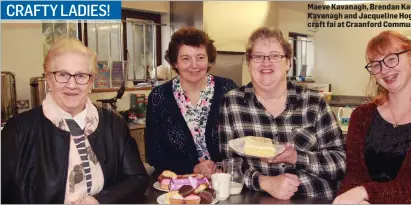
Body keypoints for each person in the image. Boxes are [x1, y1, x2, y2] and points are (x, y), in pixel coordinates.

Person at [1, 38, 148, 204]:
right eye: (62, 74)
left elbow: (137, 179)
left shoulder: (113, 124)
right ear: (49, 79)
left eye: (81, 75)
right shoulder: (19, 131)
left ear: (91, 82)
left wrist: (99, 200)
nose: (72, 85)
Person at [219, 26, 346, 200]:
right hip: (259, 200)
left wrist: (297, 158)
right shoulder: (232, 102)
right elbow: (230, 165)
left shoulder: (314, 103)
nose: (266, 62)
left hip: (315, 198)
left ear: (288, 63)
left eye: (275, 56)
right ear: (248, 63)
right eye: (258, 56)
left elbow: (341, 163)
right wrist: (264, 182)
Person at [333, 31, 411, 204]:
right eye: (376, 64)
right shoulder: (361, 116)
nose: (384, 70)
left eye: (392, 58)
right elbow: (354, 175)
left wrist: (364, 192)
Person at [145, 27, 237, 177]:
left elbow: (241, 142)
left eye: (200, 57)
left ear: (209, 60)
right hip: (180, 184)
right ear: (175, 62)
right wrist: (193, 168)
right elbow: (153, 154)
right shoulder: (159, 96)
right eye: (186, 58)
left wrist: (221, 167)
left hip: (225, 181)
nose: (194, 65)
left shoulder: (228, 89)